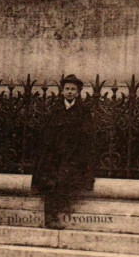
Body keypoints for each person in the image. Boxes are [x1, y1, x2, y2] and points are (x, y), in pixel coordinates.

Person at [32, 74, 95, 229]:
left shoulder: (83, 112)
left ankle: (61, 211)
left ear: (78, 92)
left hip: (73, 156)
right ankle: (51, 217)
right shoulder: (55, 110)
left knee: (66, 176)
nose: (69, 92)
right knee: (51, 179)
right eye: (67, 89)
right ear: (61, 91)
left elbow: (87, 137)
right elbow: (46, 135)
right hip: (55, 156)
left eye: (73, 89)